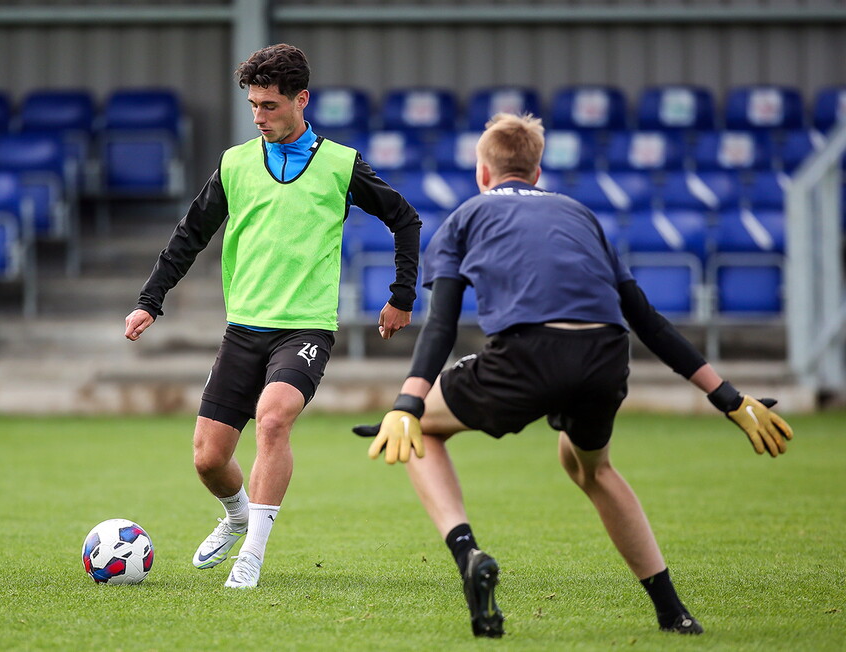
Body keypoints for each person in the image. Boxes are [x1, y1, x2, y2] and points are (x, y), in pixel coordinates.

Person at [354, 113, 793, 637]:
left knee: (424, 427)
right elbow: (646, 321)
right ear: (537, 173)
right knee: (589, 467)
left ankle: (468, 555)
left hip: (526, 356)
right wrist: (729, 398)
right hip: (605, 359)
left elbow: (442, 325)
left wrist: (407, 403)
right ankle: (672, 611)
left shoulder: (466, 215)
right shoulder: (580, 215)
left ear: (483, 172)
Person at [125, 43, 421, 589]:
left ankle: (253, 555)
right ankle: (237, 516)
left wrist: (401, 296)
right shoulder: (235, 164)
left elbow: (405, 219)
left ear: (300, 100)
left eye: (269, 105)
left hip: (306, 326)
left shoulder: (341, 164)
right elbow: (190, 236)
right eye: (253, 105)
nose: (258, 116)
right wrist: (150, 300)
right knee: (209, 460)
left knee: (274, 416)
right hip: (244, 328)